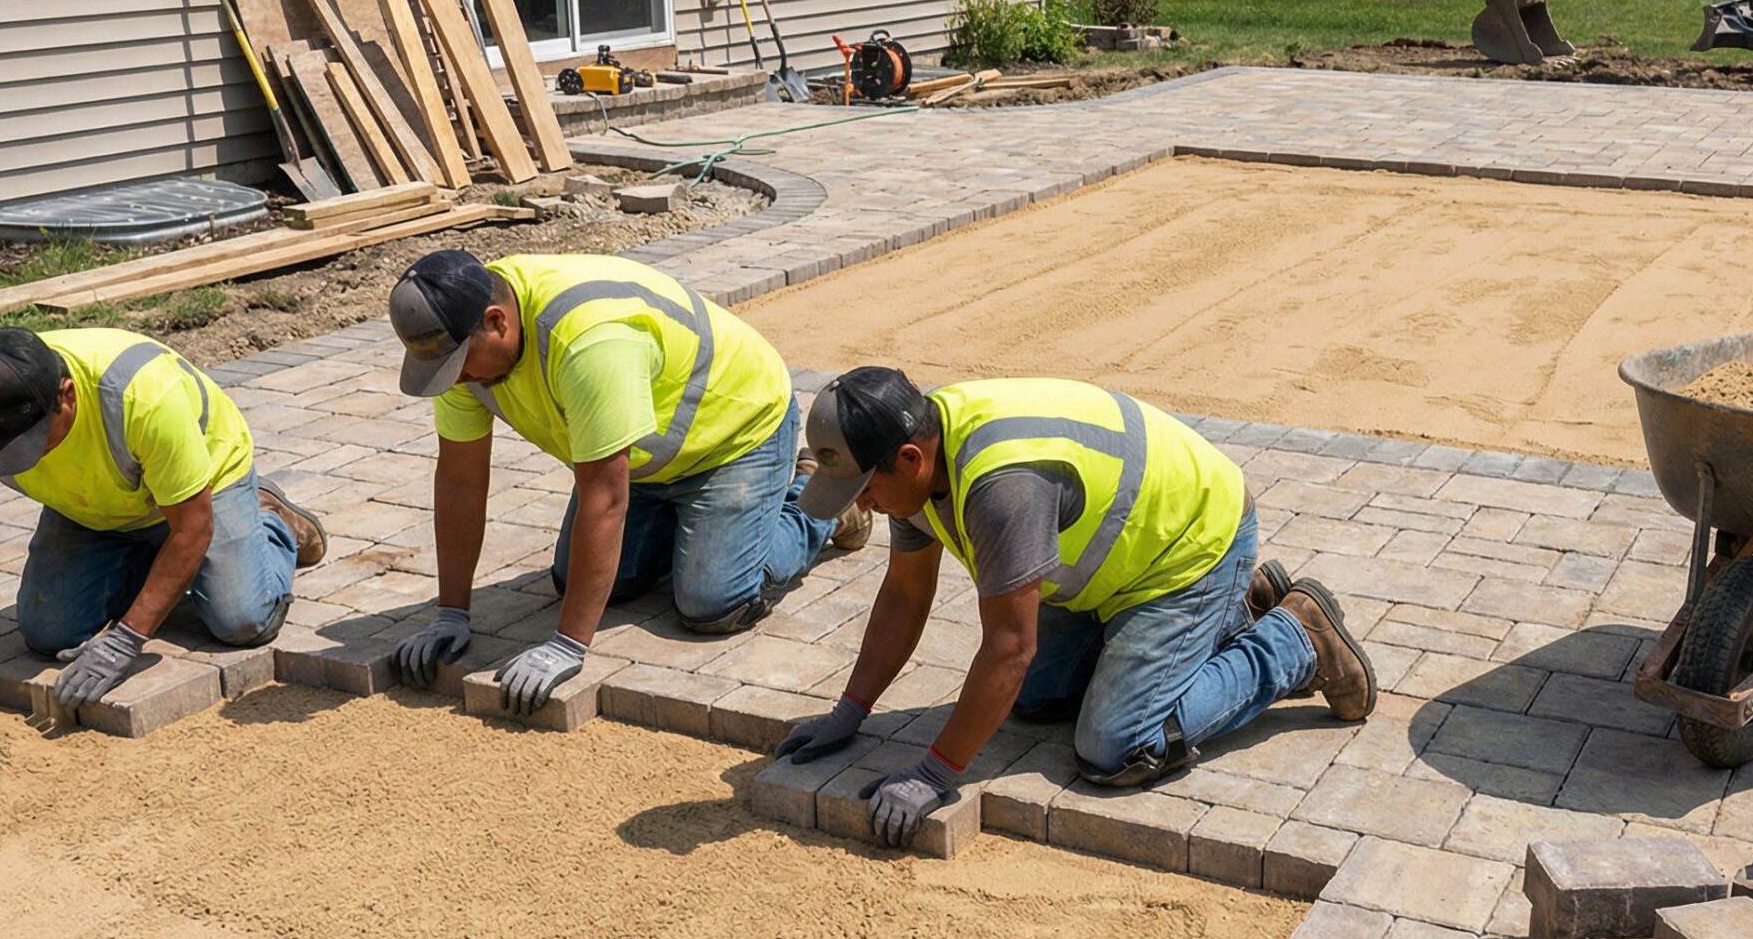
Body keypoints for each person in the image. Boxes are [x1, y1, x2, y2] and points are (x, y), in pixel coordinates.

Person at [777, 367, 1377, 846]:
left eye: (866, 490)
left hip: (1189, 545)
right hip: (1119, 563)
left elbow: (1010, 646)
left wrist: (934, 773)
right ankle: (1237, 608)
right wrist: (850, 711)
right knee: (1034, 699)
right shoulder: (919, 457)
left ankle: (1294, 638)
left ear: (910, 458)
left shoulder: (1001, 486)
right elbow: (906, 594)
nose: (869, 507)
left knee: (1115, 747)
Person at [383, 249, 861, 715]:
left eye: (461, 365)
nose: (459, 379)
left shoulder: (588, 340)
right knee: (581, 584)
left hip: (735, 436)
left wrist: (568, 645)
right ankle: (699, 526)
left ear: (496, 321)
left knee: (711, 604)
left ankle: (818, 503)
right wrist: (451, 612)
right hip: (643, 461)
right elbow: (460, 481)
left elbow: (606, 498)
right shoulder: (462, 349)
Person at [0, 326, 325, 720]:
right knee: (47, 632)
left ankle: (271, 522)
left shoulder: (142, 396)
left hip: (203, 487)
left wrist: (128, 639)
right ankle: (154, 555)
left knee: (242, 620)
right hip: (91, 505)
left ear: (66, 396)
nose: (23, 460)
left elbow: (193, 526)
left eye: (30, 444)